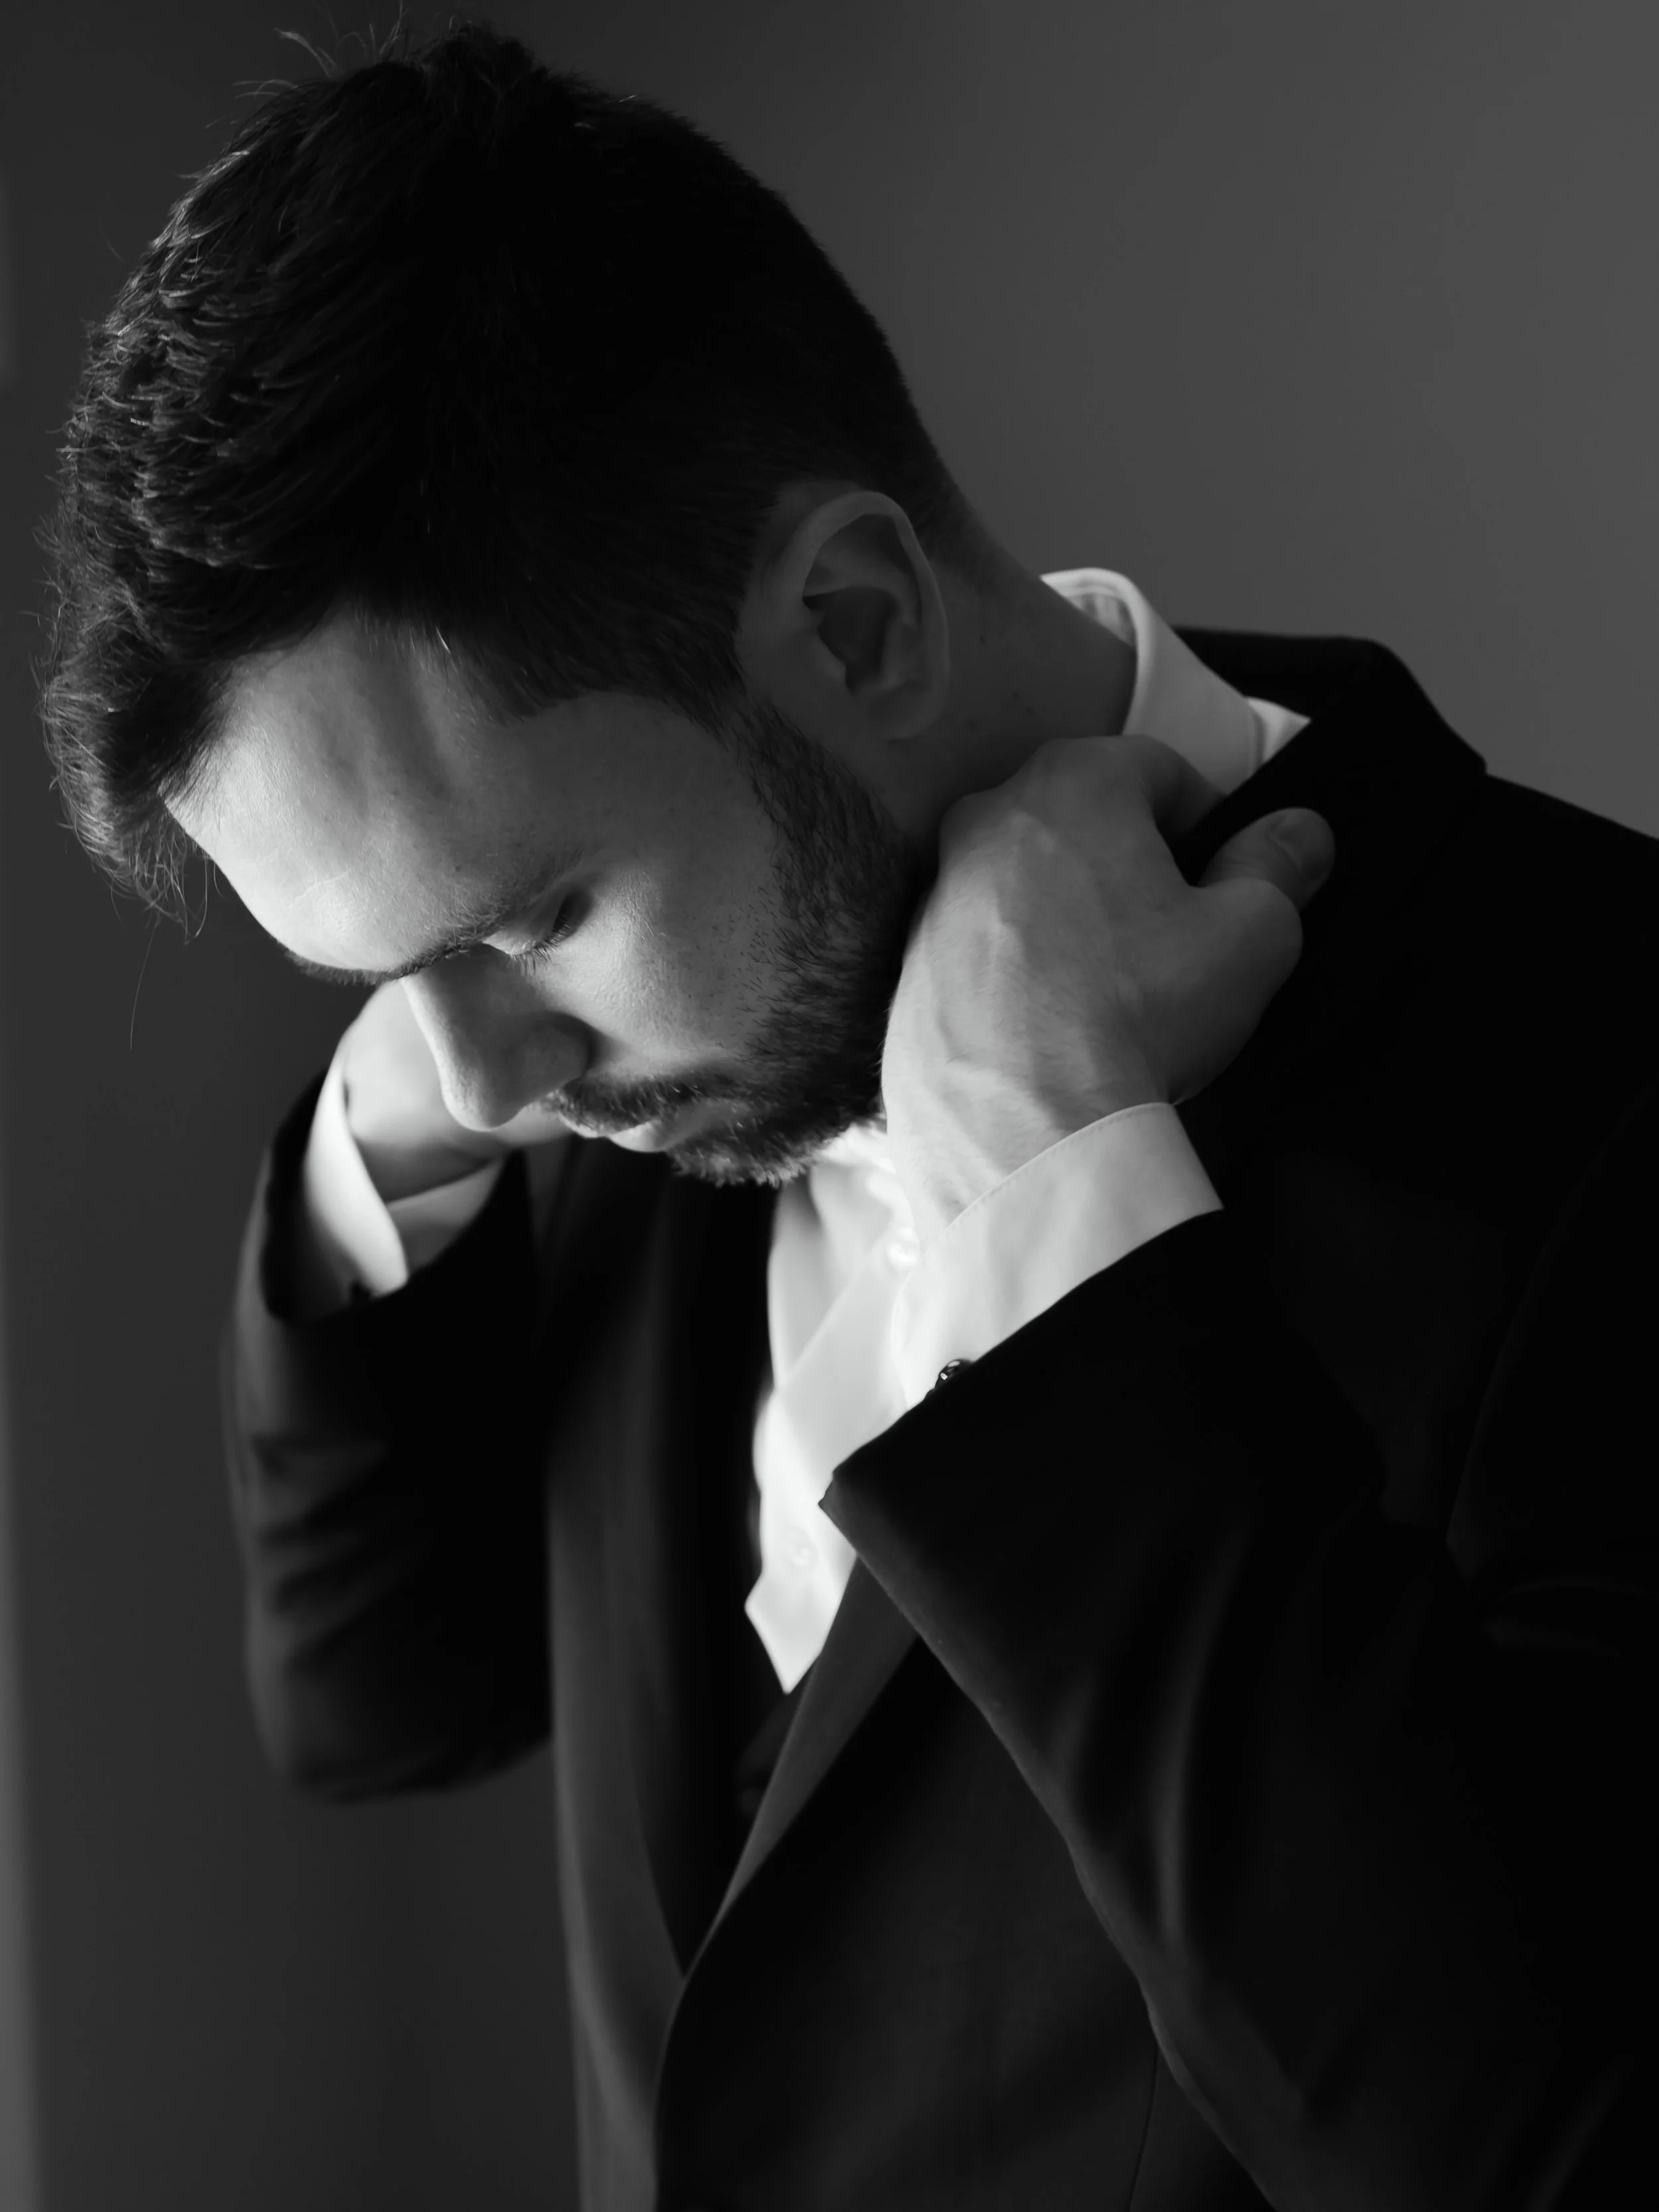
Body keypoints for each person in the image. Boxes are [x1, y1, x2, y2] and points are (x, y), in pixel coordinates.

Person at [37, 23, 1654, 2211]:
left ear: (853, 619)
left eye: (524, 921)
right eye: (381, 976)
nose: (489, 1078)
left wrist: (1066, 1212)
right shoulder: (618, 1071)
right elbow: (377, 1699)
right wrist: (395, 1109)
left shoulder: (1603, 1056)